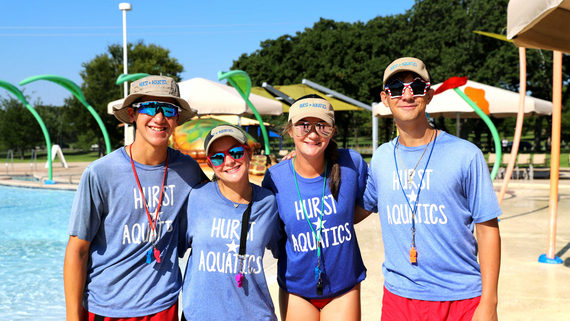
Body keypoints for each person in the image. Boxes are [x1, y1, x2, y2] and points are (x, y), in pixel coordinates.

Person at [363, 57, 501, 321]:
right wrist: (305, 165)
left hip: (460, 297)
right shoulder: (380, 158)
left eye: (415, 86)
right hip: (399, 298)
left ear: (429, 94)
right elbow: (358, 208)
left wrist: (489, 302)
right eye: (395, 87)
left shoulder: (465, 154)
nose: (406, 94)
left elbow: (487, 229)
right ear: (385, 97)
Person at [64, 75, 208, 321]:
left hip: (163, 305)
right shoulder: (101, 173)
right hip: (106, 307)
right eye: (150, 107)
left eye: (169, 110)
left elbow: (221, 202)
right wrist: (72, 317)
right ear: (132, 114)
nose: (159, 117)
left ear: (176, 119)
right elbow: (77, 250)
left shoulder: (188, 169)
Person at [262, 94, 369, 321]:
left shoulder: (352, 163)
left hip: (344, 287)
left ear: (332, 130)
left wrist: (339, 222)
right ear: (290, 130)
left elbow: (369, 201)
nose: (312, 134)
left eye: (322, 126)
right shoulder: (275, 177)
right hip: (297, 288)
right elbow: (276, 233)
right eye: (303, 126)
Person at [179, 125, 280, 320]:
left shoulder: (269, 202)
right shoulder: (196, 198)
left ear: (249, 153)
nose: (229, 160)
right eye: (218, 157)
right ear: (210, 164)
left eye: (236, 152)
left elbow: (287, 253)